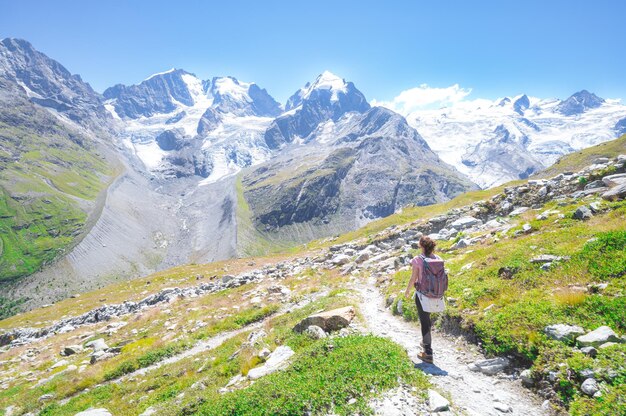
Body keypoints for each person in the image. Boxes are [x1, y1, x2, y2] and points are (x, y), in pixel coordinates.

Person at [404, 235, 440, 364]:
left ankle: (428, 352)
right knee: (427, 320)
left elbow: (413, 278)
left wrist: (407, 290)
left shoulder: (418, 260)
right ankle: (425, 343)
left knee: (424, 323)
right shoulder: (438, 258)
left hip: (422, 295)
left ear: (421, 246)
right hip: (435, 294)